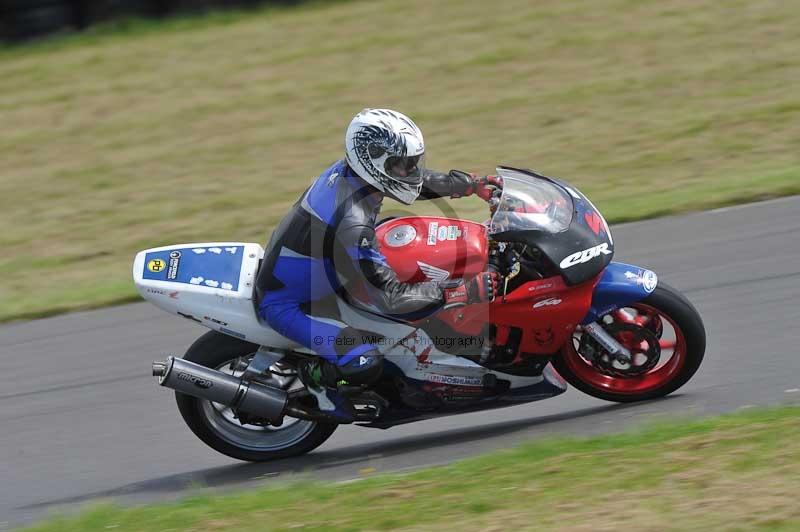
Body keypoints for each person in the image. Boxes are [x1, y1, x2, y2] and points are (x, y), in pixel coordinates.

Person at [256, 108, 499, 421]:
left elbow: (410, 182)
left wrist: (468, 185)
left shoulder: (356, 174)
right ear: (373, 160)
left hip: (326, 276)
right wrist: (459, 293)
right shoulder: (353, 221)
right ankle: (322, 388)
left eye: (412, 162)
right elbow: (391, 300)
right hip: (292, 304)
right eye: (402, 163)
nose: (410, 170)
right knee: (366, 363)